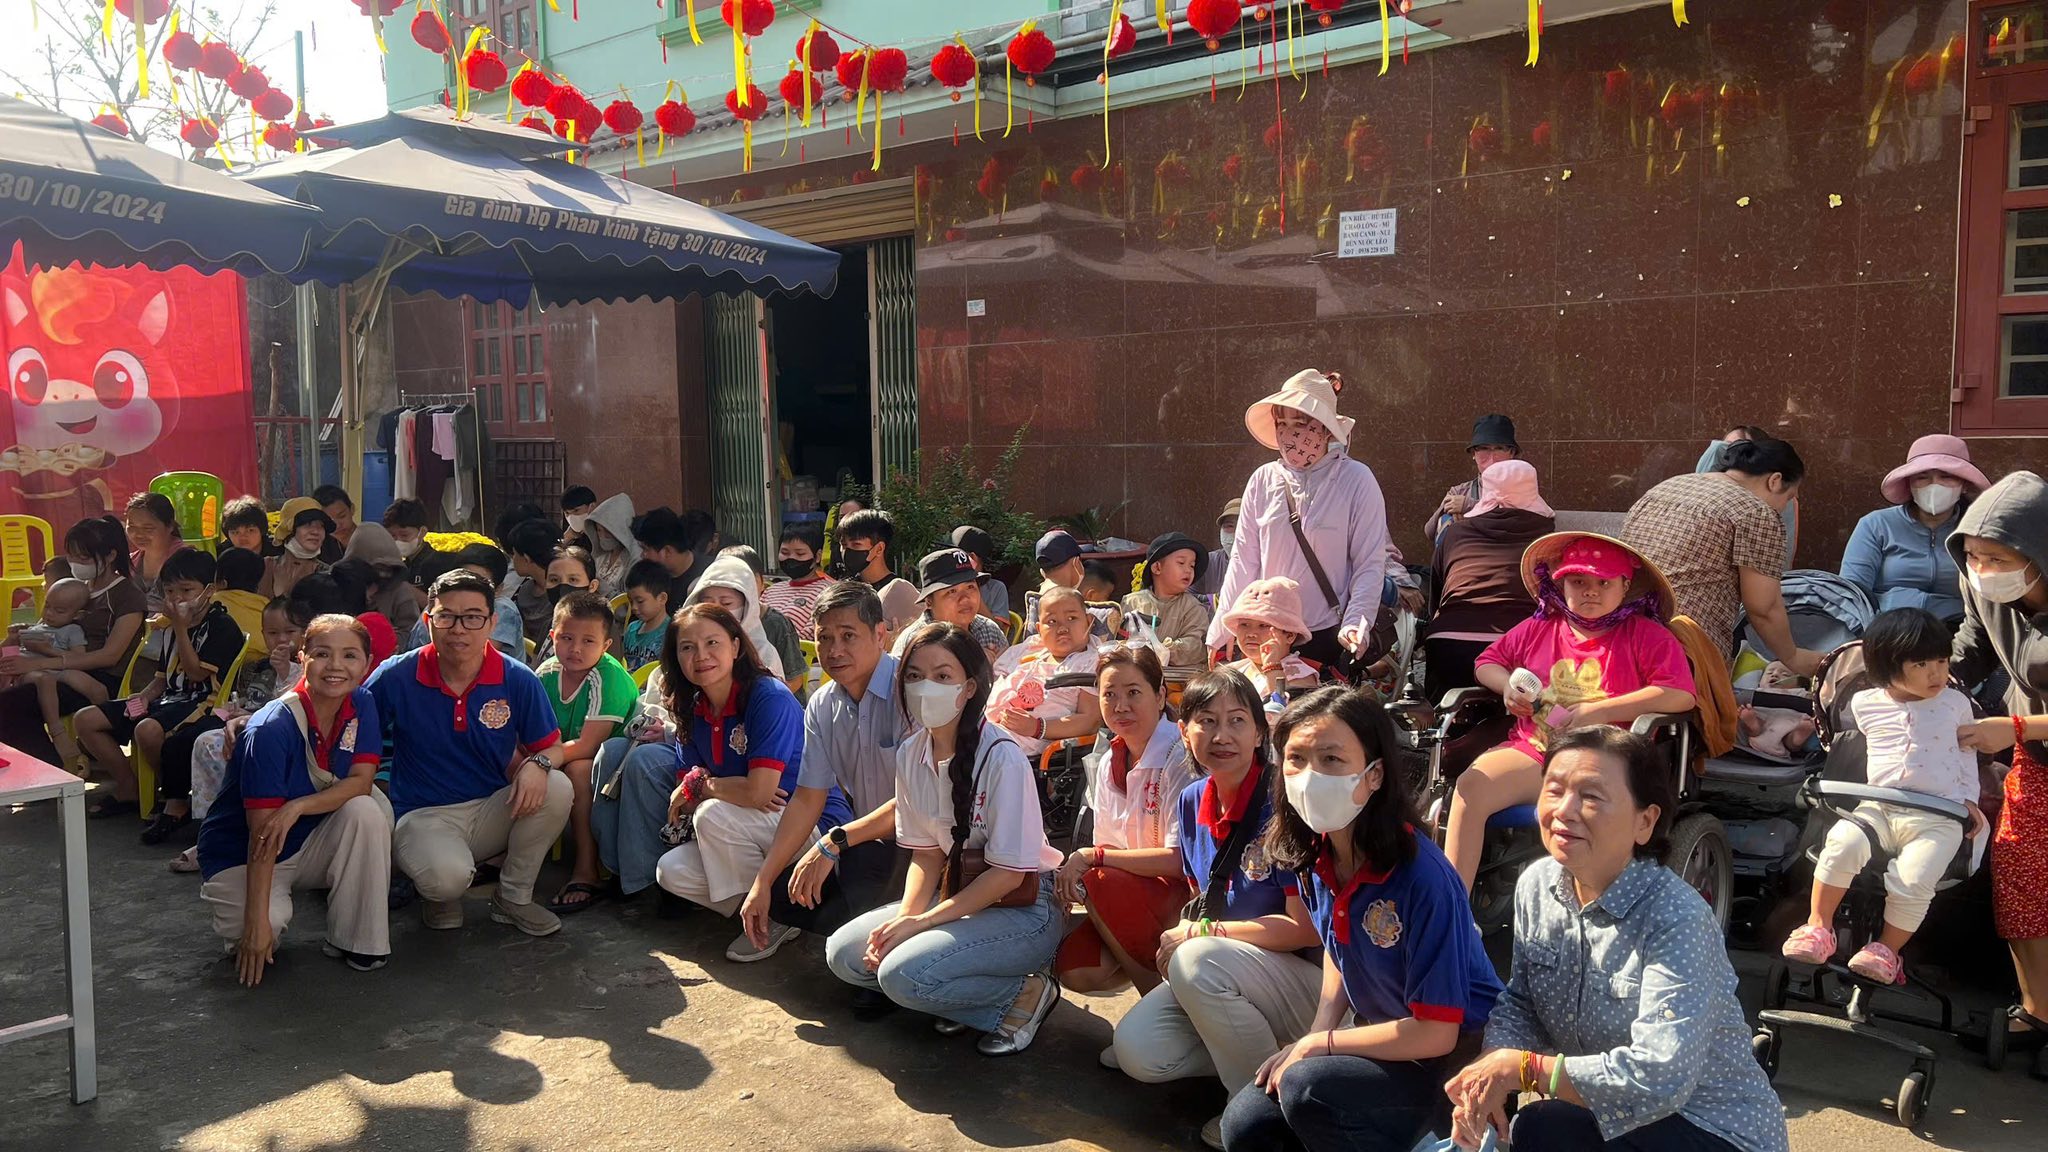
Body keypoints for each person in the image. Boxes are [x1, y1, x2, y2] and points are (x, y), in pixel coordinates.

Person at [1447, 726, 1789, 1152]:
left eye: (1591, 796)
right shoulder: (1537, 885)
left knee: (1543, 1127)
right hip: (1613, 1118)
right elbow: (1523, 1002)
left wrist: (1526, 1070)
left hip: (1713, 1128)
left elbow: (1660, 1077)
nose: (1564, 810)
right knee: (1530, 1126)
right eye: (1553, 790)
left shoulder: (1677, 917)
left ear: (1645, 822)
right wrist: (1489, 1073)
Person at [1221, 688, 1502, 1152]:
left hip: (1452, 1060)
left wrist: (1324, 1045)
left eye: (1331, 759)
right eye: (1296, 759)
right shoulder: (1313, 852)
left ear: (1374, 775)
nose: (1310, 777)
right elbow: (1340, 945)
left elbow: (1437, 1031)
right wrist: (1316, 1032)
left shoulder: (1423, 878)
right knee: (1246, 1124)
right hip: (1383, 1040)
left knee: (1309, 1090)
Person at [824, 622, 1067, 1055]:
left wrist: (922, 924)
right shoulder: (911, 753)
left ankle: (1023, 995)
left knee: (900, 975)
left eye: (942, 676)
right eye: (915, 676)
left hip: (1023, 907)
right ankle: (958, 991)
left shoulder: (1003, 757)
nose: (925, 688)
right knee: (844, 954)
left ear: (969, 687)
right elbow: (926, 856)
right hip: (955, 893)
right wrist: (905, 920)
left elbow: (1009, 876)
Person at [1109, 669, 1323, 1148]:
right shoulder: (1191, 802)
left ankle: (1262, 1110)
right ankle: (1271, 1058)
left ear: (1260, 733)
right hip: (1230, 974)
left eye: (1237, 720)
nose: (1222, 735)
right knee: (1138, 1052)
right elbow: (1203, 896)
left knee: (1196, 959)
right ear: (1184, 731)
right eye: (1206, 720)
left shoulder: (1284, 804)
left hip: (1307, 987)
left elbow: (1303, 929)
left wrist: (1202, 936)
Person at [1450, 534, 1697, 890]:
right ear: (1561, 584)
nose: (1590, 592)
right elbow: (1486, 663)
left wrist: (1602, 711)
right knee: (1471, 787)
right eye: (1578, 581)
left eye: (1604, 583)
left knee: (1592, 808)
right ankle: (1454, 907)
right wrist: (1507, 687)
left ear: (1625, 586)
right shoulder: (1539, 627)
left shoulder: (1647, 636)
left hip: (1609, 762)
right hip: (1536, 753)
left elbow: (1680, 695)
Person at [1782, 608, 1984, 984]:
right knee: (1840, 844)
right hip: (1878, 807)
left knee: (1913, 878)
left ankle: (1887, 950)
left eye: (1942, 661)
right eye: (1922, 664)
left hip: (1938, 815)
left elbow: (1965, 755)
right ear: (1887, 666)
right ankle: (1818, 926)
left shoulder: (1955, 704)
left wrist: (1969, 799)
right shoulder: (1864, 704)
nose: (1937, 673)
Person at [368, 569, 571, 937]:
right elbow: (352, 730)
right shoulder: (396, 675)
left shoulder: (516, 677)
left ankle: (513, 897)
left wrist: (538, 764)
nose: (459, 629)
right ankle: (437, 894)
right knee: (446, 880)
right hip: (422, 814)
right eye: (446, 616)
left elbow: (552, 748)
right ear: (427, 621)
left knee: (557, 786)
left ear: (492, 622)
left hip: (492, 807)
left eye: (473, 617)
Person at [196, 614, 392, 983]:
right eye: (323, 654)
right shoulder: (271, 728)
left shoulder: (361, 702)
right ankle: (254, 915)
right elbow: (262, 836)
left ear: (367, 664)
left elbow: (362, 782)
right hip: (243, 854)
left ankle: (358, 940)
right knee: (260, 933)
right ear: (302, 658)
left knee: (366, 810)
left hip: (305, 836)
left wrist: (297, 806)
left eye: (350, 655)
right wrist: (256, 924)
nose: (336, 666)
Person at [652, 603, 847, 955]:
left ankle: (776, 915)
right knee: (671, 870)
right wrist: (725, 791)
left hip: (812, 826)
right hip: (746, 828)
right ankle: (769, 913)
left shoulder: (767, 697)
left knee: (712, 814)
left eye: (712, 642)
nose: (701, 655)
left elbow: (755, 792)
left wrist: (706, 786)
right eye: (687, 647)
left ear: (735, 646)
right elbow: (687, 799)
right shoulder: (690, 705)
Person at [738, 583, 909, 986]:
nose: (834, 650)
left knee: (857, 864)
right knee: (783, 897)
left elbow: (917, 801)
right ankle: (870, 939)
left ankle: (881, 964)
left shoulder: (909, 689)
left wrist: (833, 842)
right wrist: (763, 881)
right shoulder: (823, 703)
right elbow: (807, 797)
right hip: (871, 842)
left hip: (928, 844)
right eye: (824, 637)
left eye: (848, 635)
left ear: (880, 634)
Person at [1949, 470, 2048, 1057]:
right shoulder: (1981, 587)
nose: (1983, 569)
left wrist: (2010, 729)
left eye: (1997, 558)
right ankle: (2037, 1012)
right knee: (2020, 879)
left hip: (2024, 734)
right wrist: (1918, 680)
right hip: (2035, 760)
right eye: (1973, 556)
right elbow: (1973, 646)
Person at [1208, 370, 1390, 673]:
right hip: (1265, 632)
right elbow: (1243, 560)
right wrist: (1223, 625)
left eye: (1300, 424)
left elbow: (1369, 562)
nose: (1289, 434)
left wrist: (1356, 621)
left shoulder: (1357, 480)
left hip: (1327, 634)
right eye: (1282, 424)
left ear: (1326, 429)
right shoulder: (1263, 480)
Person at [1052, 647, 1197, 994]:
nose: (1120, 706)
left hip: (1182, 895)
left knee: (1098, 877)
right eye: (1109, 695)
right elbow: (1109, 843)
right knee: (1075, 969)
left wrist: (1093, 858)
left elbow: (1180, 861)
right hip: (1132, 892)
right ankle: (1153, 967)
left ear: (1160, 696)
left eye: (1133, 693)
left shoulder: (1180, 755)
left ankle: (1160, 998)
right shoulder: (1109, 761)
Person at [1623, 436, 1822, 676]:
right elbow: (1764, 607)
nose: (1783, 508)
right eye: (1788, 498)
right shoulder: (1755, 512)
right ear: (1775, 480)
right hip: (1684, 648)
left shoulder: (1665, 488)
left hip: (1619, 632)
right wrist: (1792, 657)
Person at [77, 548, 247, 825]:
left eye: (186, 590)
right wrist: (143, 697)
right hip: (168, 699)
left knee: (147, 730)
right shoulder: (169, 626)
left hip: (202, 702)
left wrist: (180, 628)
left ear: (209, 590)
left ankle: (173, 795)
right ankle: (129, 787)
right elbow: (160, 678)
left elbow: (196, 674)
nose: (176, 598)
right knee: (86, 719)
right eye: (169, 591)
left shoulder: (221, 626)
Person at [163, 594, 304, 866]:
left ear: (304, 633)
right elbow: (249, 699)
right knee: (205, 742)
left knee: (219, 746)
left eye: (290, 632)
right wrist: (237, 711)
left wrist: (286, 670)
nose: (281, 639)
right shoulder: (258, 667)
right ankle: (213, 828)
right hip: (248, 725)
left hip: (280, 735)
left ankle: (234, 832)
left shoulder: (305, 666)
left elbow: (292, 705)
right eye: (273, 633)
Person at [0, 516, 146, 766]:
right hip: (56, 667)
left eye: (84, 558)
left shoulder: (127, 596)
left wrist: (37, 664)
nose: (76, 563)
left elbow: (110, 656)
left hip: (98, 678)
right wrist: (26, 635)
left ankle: (54, 769)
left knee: (10, 707)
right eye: (72, 556)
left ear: (110, 556)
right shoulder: (75, 589)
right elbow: (49, 626)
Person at [537, 591, 640, 915]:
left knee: (578, 770)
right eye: (566, 638)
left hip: (615, 763)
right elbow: (531, 729)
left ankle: (586, 868)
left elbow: (588, 745)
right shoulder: (547, 673)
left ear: (606, 645)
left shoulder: (607, 677)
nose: (576, 649)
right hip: (562, 752)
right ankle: (501, 854)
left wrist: (541, 760)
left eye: (588, 641)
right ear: (552, 636)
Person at [1424, 459, 1556, 704]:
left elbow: (1437, 597)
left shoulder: (1454, 533)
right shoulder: (1548, 539)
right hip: (1520, 646)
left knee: (1441, 718)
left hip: (1448, 643)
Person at [1840, 434, 1992, 625]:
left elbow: (1993, 598)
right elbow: (1851, 593)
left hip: (1958, 630)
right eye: (1922, 477)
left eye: (1946, 476)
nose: (1934, 485)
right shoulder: (1876, 524)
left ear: (1964, 484)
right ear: (1909, 484)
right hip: (1887, 630)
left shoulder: (1979, 531)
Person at [989, 585, 1102, 759]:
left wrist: (1037, 727)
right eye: (1052, 622)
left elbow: (1091, 721)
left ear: (1088, 621)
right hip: (990, 724)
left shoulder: (1092, 661)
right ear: (1039, 629)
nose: (1062, 628)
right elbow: (993, 676)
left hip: (1028, 743)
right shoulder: (1030, 648)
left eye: (1071, 618)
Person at [1124, 532, 1216, 683]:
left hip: (1178, 681)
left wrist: (1165, 649)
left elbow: (1195, 646)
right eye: (1181, 563)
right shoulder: (1132, 602)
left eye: (1192, 566)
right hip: (1137, 677)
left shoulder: (1193, 607)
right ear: (1157, 567)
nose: (1188, 570)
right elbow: (1121, 637)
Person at [1220, 578, 1322, 711]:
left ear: (1290, 635)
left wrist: (1273, 667)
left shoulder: (1301, 675)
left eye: (1263, 626)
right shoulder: (1232, 671)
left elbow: (1287, 713)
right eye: (1244, 624)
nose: (1251, 633)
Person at [683, 554, 789, 680]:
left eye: (726, 603)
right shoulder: (685, 644)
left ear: (746, 607)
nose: (716, 609)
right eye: (707, 603)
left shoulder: (763, 655)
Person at [895, 549, 1009, 661]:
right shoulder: (914, 644)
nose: (965, 598)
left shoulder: (988, 630)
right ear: (929, 601)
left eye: (970, 587)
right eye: (952, 591)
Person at [1424, 414, 1521, 545]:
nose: (1492, 458)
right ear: (1474, 454)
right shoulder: (1460, 492)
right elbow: (1429, 531)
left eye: (1499, 448)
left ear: (1511, 453)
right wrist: (1446, 508)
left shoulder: (1523, 488)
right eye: (1484, 448)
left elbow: (1520, 521)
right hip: (1467, 556)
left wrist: (1470, 507)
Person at [720, 544, 806, 690]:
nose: (739, 589)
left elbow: (795, 680)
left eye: (745, 581)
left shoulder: (776, 624)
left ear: (761, 583)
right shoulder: (715, 624)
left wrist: (766, 698)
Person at [832, 509, 921, 631]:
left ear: (879, 549)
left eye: (856, 545)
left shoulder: (899, 592)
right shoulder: (843, 590)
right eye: (844, 545)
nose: (847, 551)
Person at [3, 577, 90, 688]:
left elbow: (79, 658)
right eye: (47, 606)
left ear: (77, 615)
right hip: (19, 666)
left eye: (59, 611)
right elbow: (8, 652)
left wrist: (48, 650)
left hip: (43, 670)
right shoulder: (38, 627)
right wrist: (12, 638)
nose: (49, 613)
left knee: (44, 679)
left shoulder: (72, 630)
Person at [342, 523, 424, 637]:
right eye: (376, 568)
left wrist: (384, 640)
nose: (382, 574)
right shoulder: (336, 587)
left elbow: (411, 632)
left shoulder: (400, 591)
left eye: (387, 569)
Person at [125, 491, 192, 620]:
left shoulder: (187, 559)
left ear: (170, 526)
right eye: (132, 527)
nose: (138, 534)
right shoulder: (130, 561)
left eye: (148, 528)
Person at [635, 506, 721, 600]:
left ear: (667, 551)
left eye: (646, 549)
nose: (642, 555)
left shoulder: (713, 573)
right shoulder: (651, 580)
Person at [765, 524, 832, 640]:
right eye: (784, 553)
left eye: (800, 554)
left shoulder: (828, 593)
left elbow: (812, 634)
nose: (791, 558)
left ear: (817, 556)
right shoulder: (770, 591)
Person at [501, 518, 561, 644]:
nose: (513, 559)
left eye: (514, 554)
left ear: (527, 558)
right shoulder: (524, 590)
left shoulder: (564, 592)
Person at [261, 497, 335, 599]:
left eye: (321, 525)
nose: (316, 531)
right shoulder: (264, 566)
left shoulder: (328, 576)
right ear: (287, 529)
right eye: (307, 524)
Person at [584, 492, 641, 599]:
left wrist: (602, 588)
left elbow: (631, 601)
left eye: (608, 531)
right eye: (599, 530)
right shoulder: (600, 556)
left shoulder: (635, 559)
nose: (603, 536)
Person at [950, 525, 1011, 623]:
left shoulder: (996, 588)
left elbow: (1000, 630)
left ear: (972, 558)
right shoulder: (944, 584)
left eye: (955, 555)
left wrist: (973, 593)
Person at [621, 559, 673, 672]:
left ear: (662, 598)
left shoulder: (671, 634)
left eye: (640, 601)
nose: (634, 607)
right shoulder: (631, 629)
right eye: (631, 601)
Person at [1193, 500, 1240, 600]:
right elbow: (1185, 596)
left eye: (1242, 526)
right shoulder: (1207, 562)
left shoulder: (1264, 563)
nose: (1236, 532)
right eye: (1229, 526)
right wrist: (1213, 600)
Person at [314, 484, 358, 550]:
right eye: (329, 520)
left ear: (352, 509)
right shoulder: (317, 548)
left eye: (342, 516)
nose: (337, 526)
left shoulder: (371, 540)